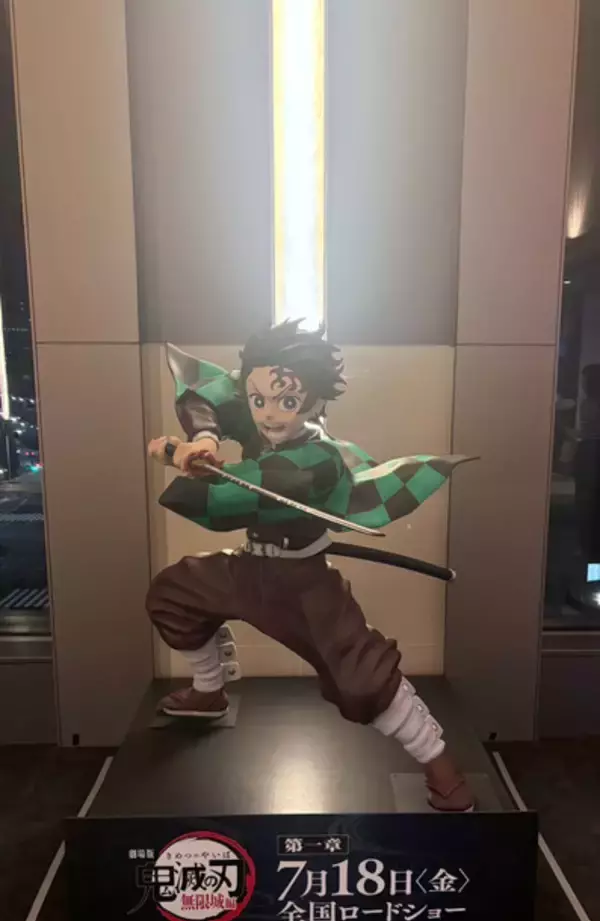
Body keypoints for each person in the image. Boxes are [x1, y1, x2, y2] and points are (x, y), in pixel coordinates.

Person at [147, 321, 474, 812]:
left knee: (361, 678)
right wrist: (207, 436)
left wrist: (183, 457)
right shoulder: (259, 420)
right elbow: (204, 391)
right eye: (258, 400)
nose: (269, 414)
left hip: (304, 586)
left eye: (287, 401)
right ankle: (209, 691)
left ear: (316, 400)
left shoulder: (319, 460)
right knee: (175, 594)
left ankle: (442, 769)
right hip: (248, 570)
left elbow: (229, 496)